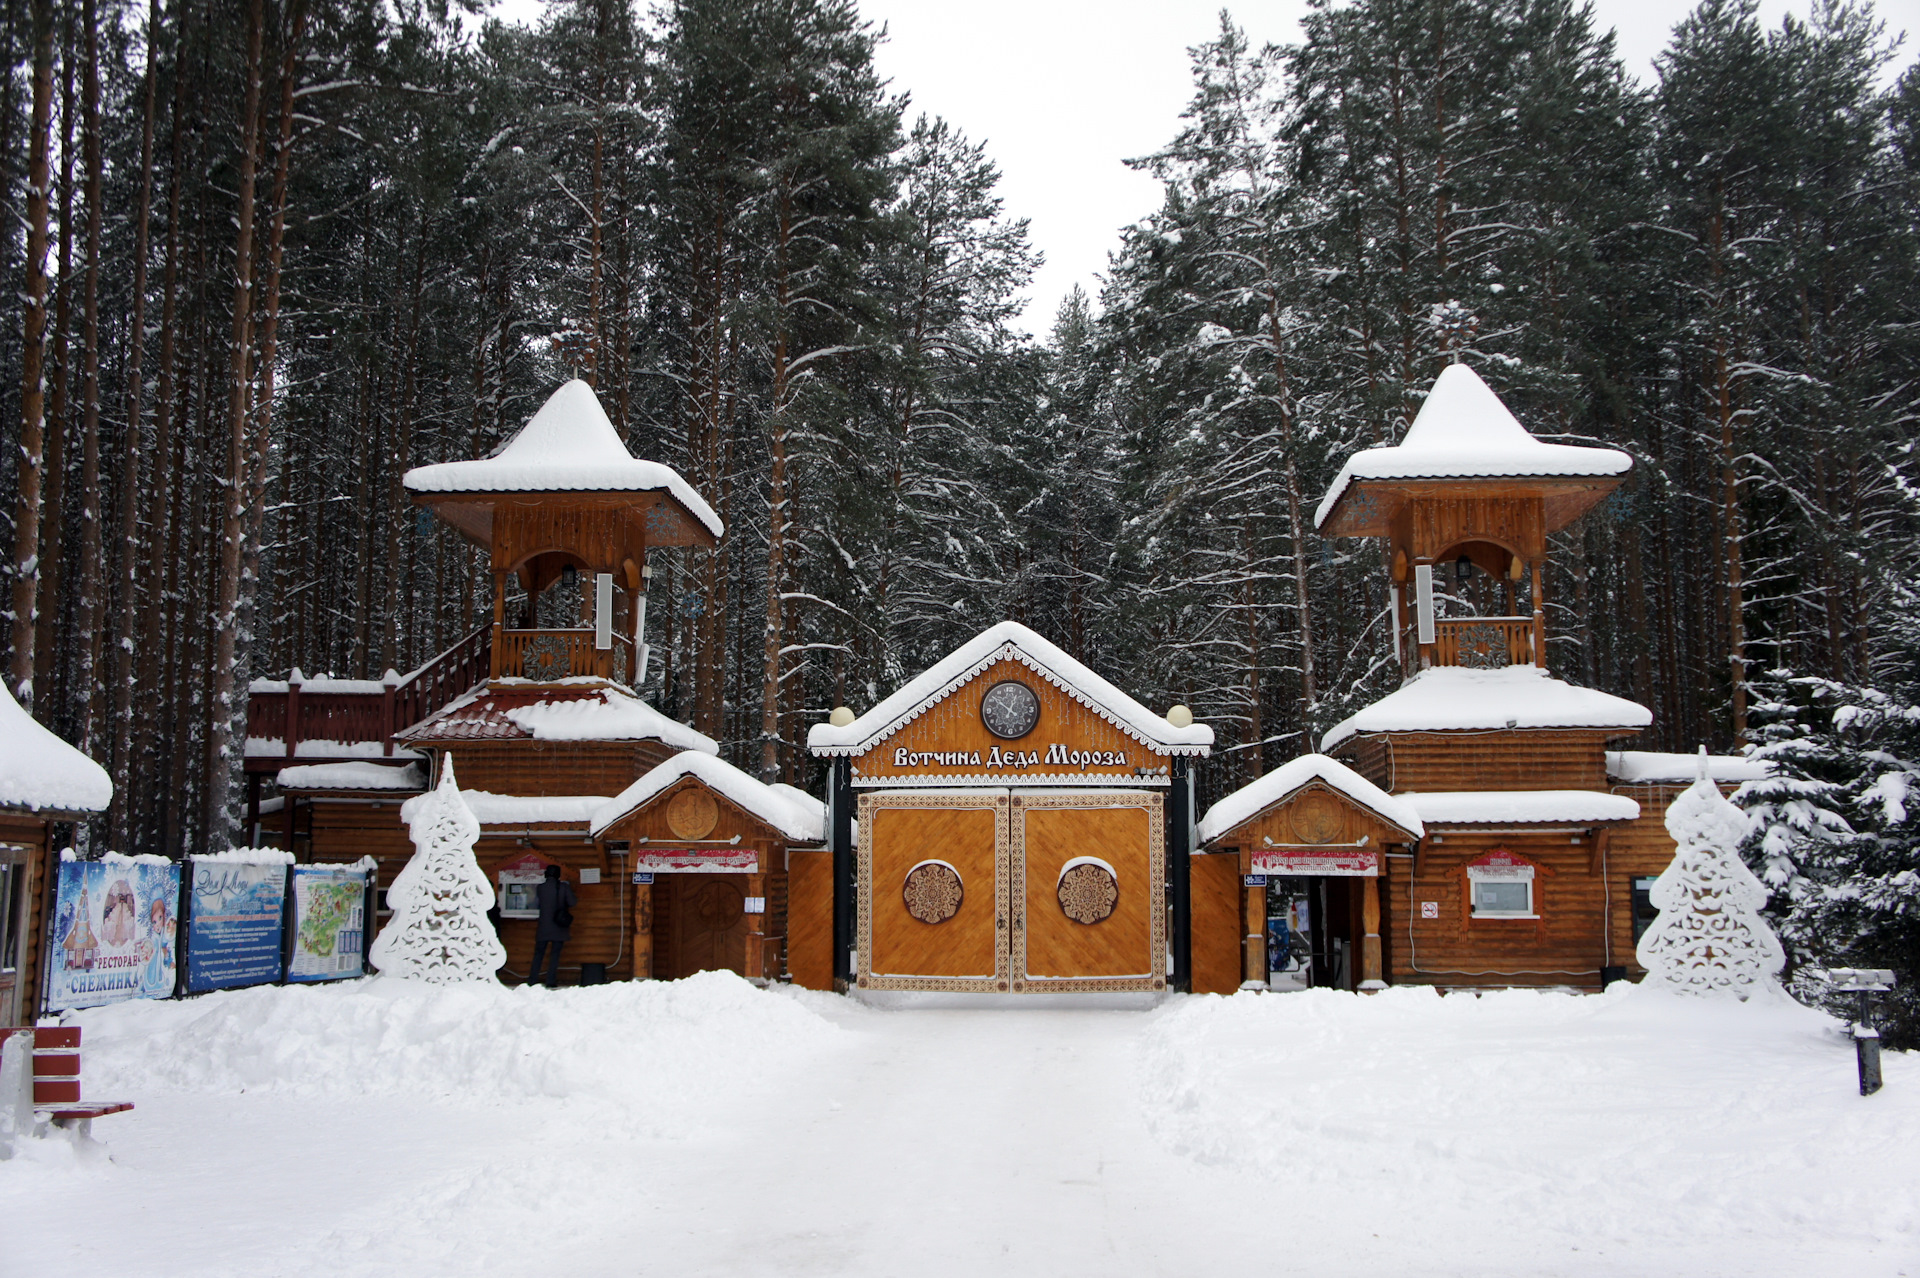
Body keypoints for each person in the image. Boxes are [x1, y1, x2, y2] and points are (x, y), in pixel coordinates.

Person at [531, 865, 576, 988]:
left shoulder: (541, 888)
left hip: (544, 926)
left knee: (538, 954)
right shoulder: (564, 887)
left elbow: (536, 904)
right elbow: (572, 902)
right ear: (558, 875)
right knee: (555, 954)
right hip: (558, 925)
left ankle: (533, 980)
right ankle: (550, 980)